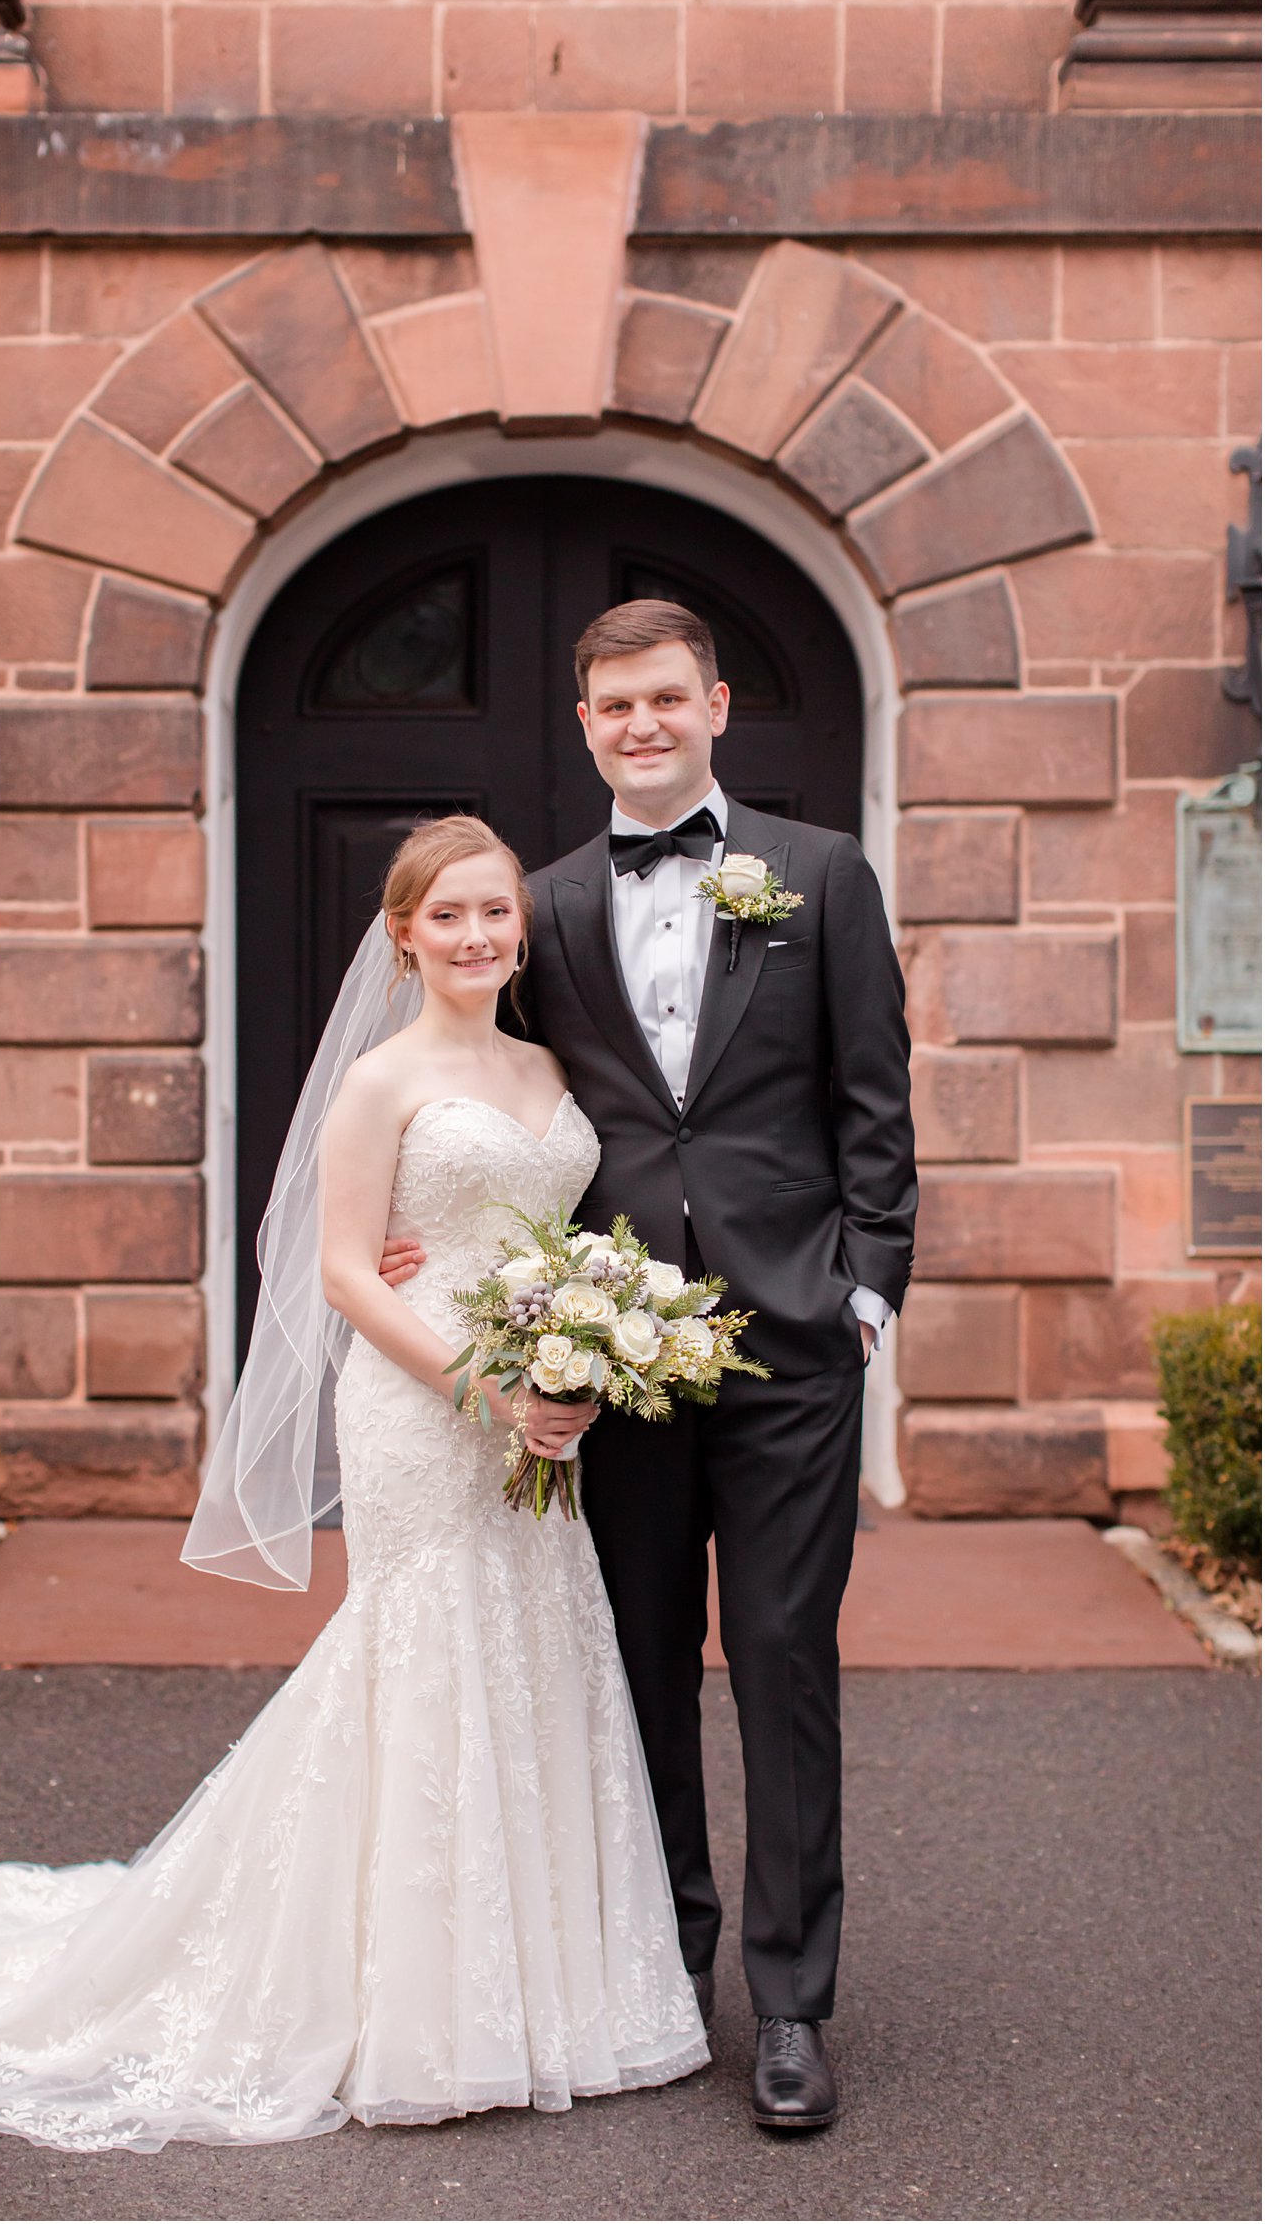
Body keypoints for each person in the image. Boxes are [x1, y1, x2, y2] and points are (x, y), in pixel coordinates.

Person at [0, 814, 707, 2153]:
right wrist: (486, 1382)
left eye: (494, 911)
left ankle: (549, 1991)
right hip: (425, 1395)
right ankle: (417, 2008)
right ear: (403, 932)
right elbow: (343, 1268)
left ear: (522, 925)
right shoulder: (381, 1081)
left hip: (540, 1395)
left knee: (533, 1637)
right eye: (445, 914)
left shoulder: (556, 1060)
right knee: (424, 1651)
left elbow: (568, 1226)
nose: (474, 934)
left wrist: (573, 1348)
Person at [381, 602, 917, 2129]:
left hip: (792, 1347)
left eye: (665, 698)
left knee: (784, 1660)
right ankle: (661, 1966)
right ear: (586, 720)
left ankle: (794, 2000)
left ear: (717, 705)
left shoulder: (820, 873)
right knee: (634, 1668)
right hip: (609, 1357)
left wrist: (864, 1298)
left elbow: (875, 1102)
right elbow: (488, 1070)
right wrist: (440, 1230)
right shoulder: (541, 903)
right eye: (614, 704)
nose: (641, 724)